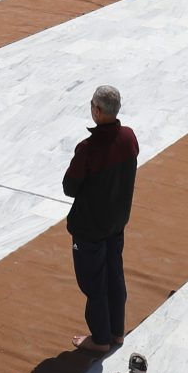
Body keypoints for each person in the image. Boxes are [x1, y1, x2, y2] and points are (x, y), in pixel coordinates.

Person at [62, 83, 138, 353]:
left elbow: (69, 187)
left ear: (97, 110)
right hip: (116, 223)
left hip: (91, 228)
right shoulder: (129, 138)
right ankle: (117, 333)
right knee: (115, 276)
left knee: (94, 283)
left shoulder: (89, 148)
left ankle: (101, 338)